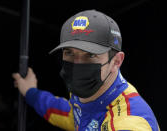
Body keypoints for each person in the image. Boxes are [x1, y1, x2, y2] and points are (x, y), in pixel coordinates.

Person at [12, 10, 160, 131]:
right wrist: (31, 92)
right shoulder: (89, 93)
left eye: (90, 55)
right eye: (69, 52)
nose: (77, 65)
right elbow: (71, 114)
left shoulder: (129, 122)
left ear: (116, 61)